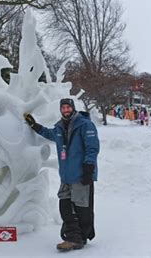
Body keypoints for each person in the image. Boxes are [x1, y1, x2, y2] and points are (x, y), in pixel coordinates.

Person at [24, 98, 100, 252]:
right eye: (63, 108)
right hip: (66, 176)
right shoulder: (59, 128)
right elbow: (49, 134)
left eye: (68, 107)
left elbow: (92, 147)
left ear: (72, 108)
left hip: (81, 174)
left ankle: (78, 238)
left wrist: (88, 168)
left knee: (82, 208)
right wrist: (34, 125)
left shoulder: (85, 125)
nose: (65, 110)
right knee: (64, 206)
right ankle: (73, 236)